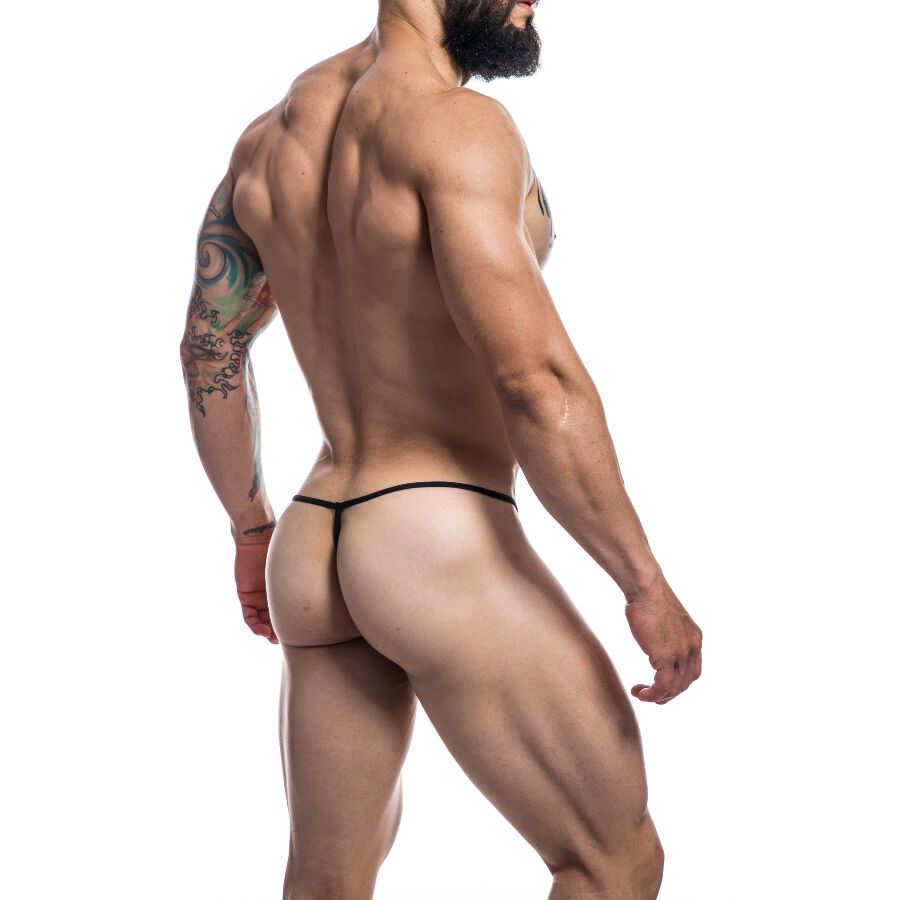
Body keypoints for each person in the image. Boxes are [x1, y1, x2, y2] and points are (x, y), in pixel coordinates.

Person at [179, 1, 703, 897]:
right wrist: (643, 582)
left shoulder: (266, 142)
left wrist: (251, 529)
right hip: (433, 533)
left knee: (325, 885)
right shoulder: (454, 125)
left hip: (314, 537)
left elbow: (209, 347)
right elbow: (534, 378)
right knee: (613, 862)